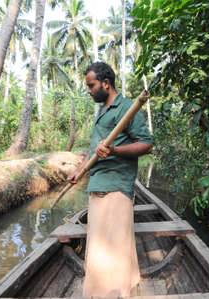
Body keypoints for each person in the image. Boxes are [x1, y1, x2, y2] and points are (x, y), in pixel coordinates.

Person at [67, 62, 152, 298]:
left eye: (91, 85)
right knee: (98, 251)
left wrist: (115, 151)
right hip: (97, 186)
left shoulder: (127, 107)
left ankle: (116, 293)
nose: (89, 90)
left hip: (116, 188)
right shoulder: (102, 111)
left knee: (114, 252)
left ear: (106, 83)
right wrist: (79, 170)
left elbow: (146, 144)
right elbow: (94, 151)